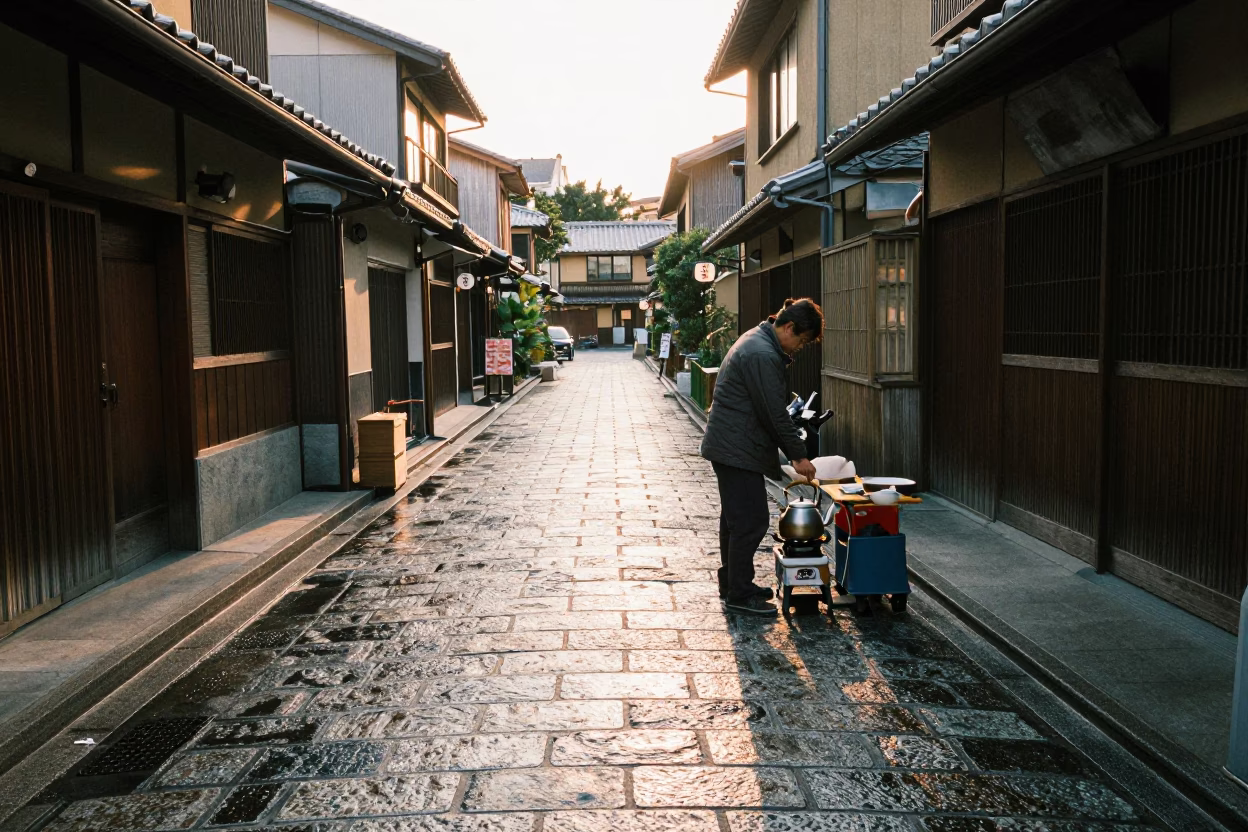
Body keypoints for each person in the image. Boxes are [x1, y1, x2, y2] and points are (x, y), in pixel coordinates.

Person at [700, 298, 824, 615]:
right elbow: (774, 414)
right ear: (789, 327)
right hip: (735, 446)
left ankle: (734, 584)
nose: (798, 349)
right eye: (801, 340)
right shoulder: (762, 353)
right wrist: (799, 456)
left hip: (731, 444)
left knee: (735, 519)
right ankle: (739, 595)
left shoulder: (758, 339)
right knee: (751, 521)